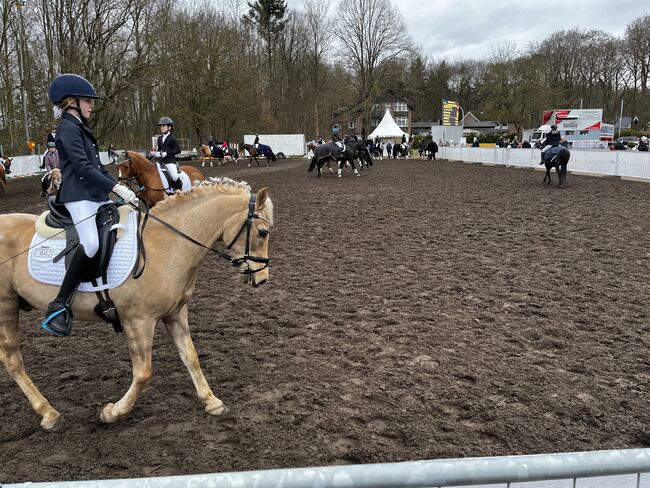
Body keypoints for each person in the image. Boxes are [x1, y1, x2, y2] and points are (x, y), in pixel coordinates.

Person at [41, 73, 137, 336]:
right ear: (72, 102)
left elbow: (97, 166)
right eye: (88, 101)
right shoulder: (67, 128)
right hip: (78, 196)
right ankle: (59, 304)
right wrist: (113, 188)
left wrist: (120, 188)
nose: (92, 105)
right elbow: (82, 167)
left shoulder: (81, 127)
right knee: (91, 244)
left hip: (95, 194)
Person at [153, 116, 182, 192]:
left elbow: (178, 150)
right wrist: (158, 153)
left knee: (175, 176)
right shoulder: (159, 138)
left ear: (169, 127)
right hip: (160, 161)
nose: (161, 128)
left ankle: (178, 189)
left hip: (170, 161)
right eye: (160, 126)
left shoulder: (172, 138)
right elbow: (159, 149)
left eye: (163, 126)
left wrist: (167, 153)